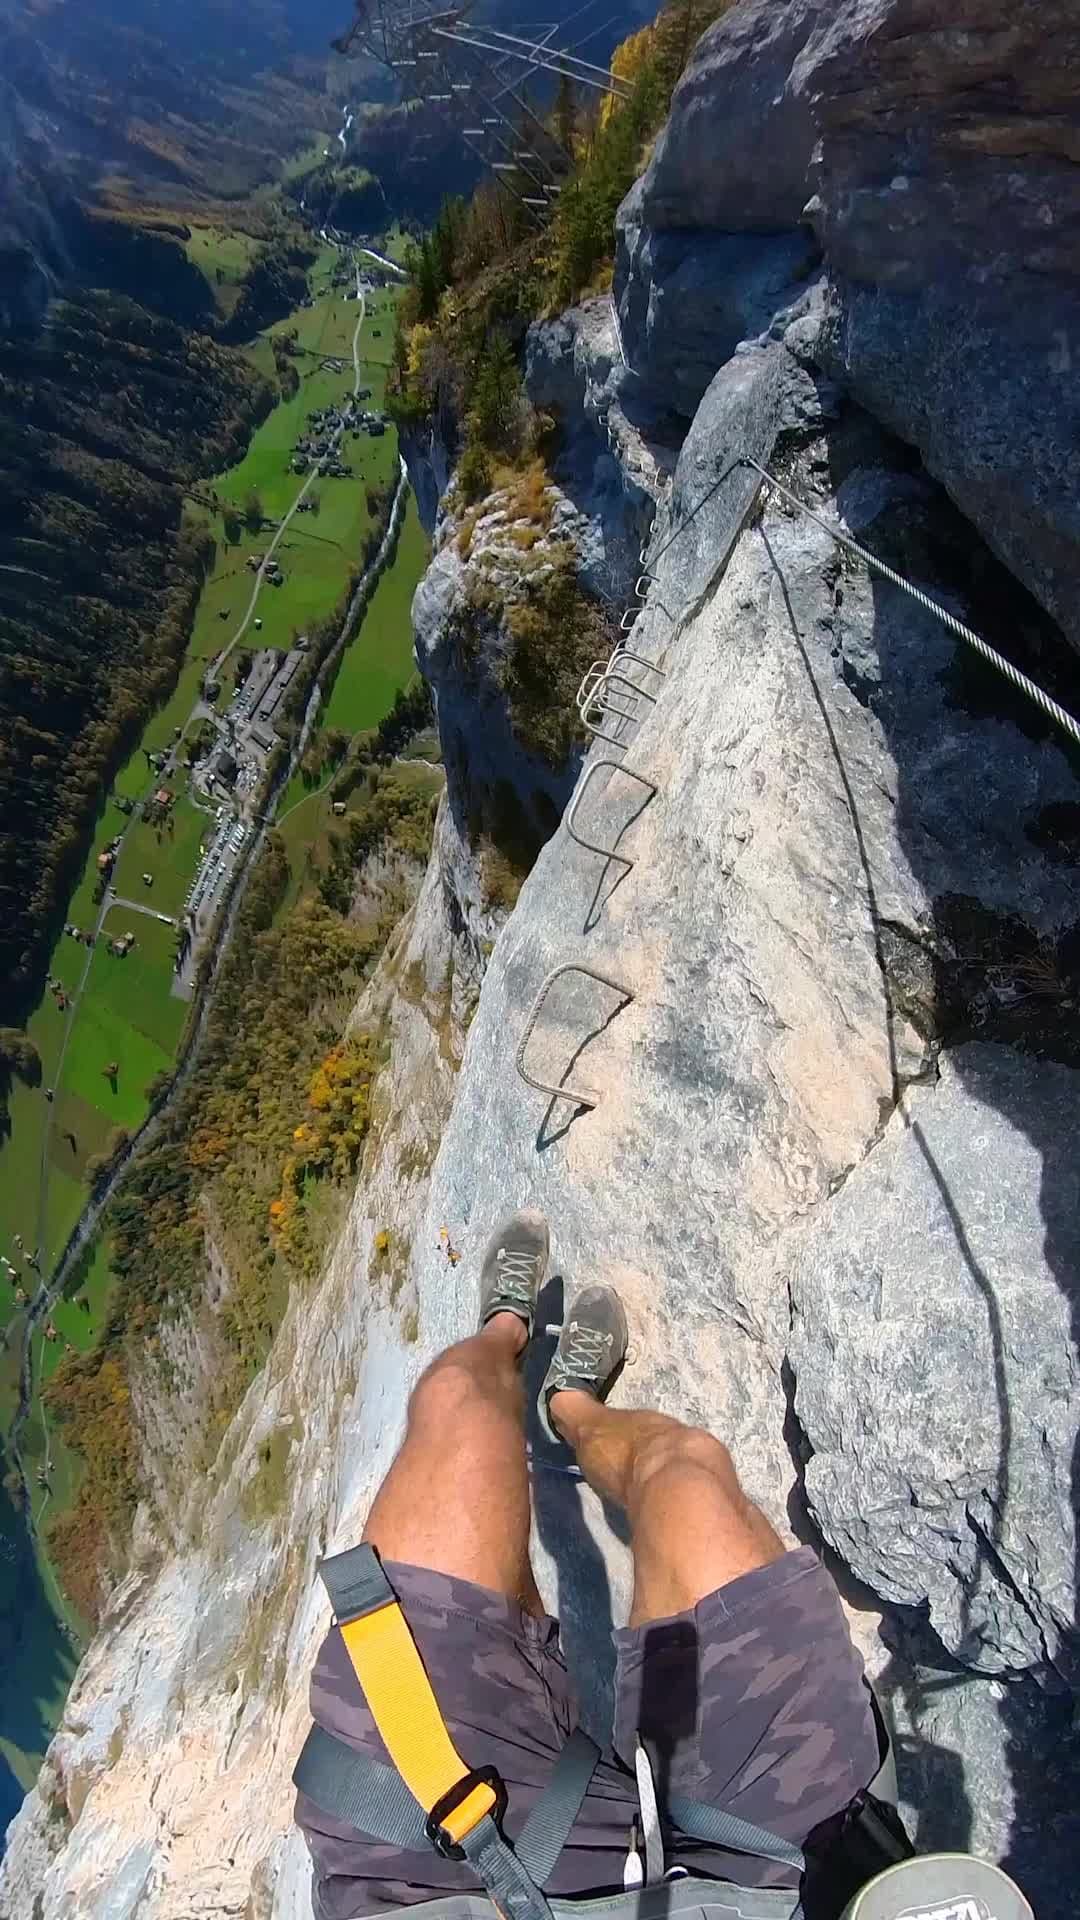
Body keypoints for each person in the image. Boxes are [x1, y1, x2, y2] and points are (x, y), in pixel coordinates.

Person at [297, 1210, 881, 1920]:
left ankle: (539, 1374)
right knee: (691, 1485)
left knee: (460, 1406)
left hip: (451, 1885)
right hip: (773, 1894)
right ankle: (564, 1406)